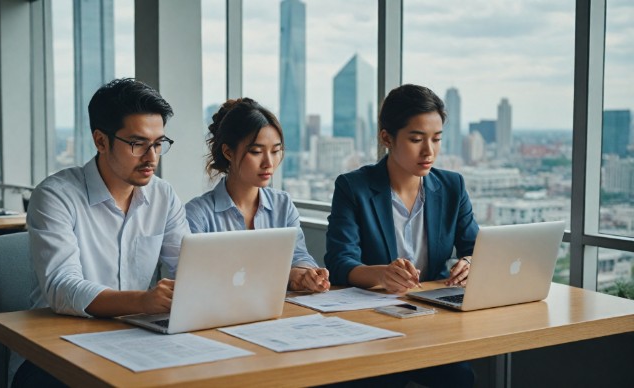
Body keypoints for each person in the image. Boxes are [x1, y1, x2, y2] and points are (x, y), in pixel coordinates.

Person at [15, 78, 190, 387]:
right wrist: (144, 301)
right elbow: (62, 287)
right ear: (101, 141)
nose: (152, 158)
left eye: (159, 143)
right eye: (138, 144)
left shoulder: (164, 197)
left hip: (137, 340)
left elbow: (189, 270)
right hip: (61, 345)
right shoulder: (56, 196)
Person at [324, 84, 478, 387]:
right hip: (371, 320)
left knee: (459, 378)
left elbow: (475, 247)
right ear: (386, 138)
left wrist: (471, 261)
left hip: (434, 319)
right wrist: (383, 274)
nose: (429, 151)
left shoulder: (452, 186)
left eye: (436, 139)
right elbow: (340, 262)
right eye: (416, 139)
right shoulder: (353, 187)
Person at [185, 98, 329, 293]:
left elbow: (298, 255)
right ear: (228, 152)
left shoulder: (282, 204)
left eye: (276, 151)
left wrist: (304, 275)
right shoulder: (198, 214)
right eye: (256, 152)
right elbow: (194, 279)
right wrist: (285, 274)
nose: (268, 162)